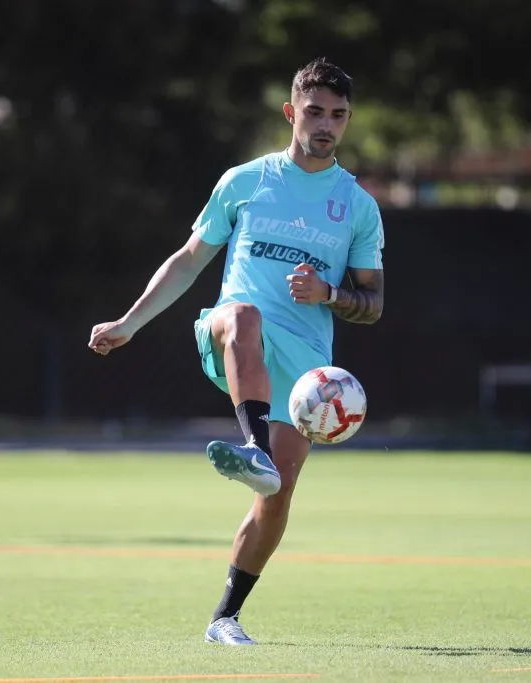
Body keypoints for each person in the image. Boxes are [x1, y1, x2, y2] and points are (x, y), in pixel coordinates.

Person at [88, 58, 385, 643]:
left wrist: (330, 293)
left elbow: (372, 303)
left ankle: (225, 616)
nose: (326, 124)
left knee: (278, 496)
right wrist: (129, 322)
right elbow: (189, 260)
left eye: (339, 115)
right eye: (315, 111)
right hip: (230, 335)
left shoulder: (358, 206)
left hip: (304, 370)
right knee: (243, 315)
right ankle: (254, 446)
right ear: (290, 112)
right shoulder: (245, 180)